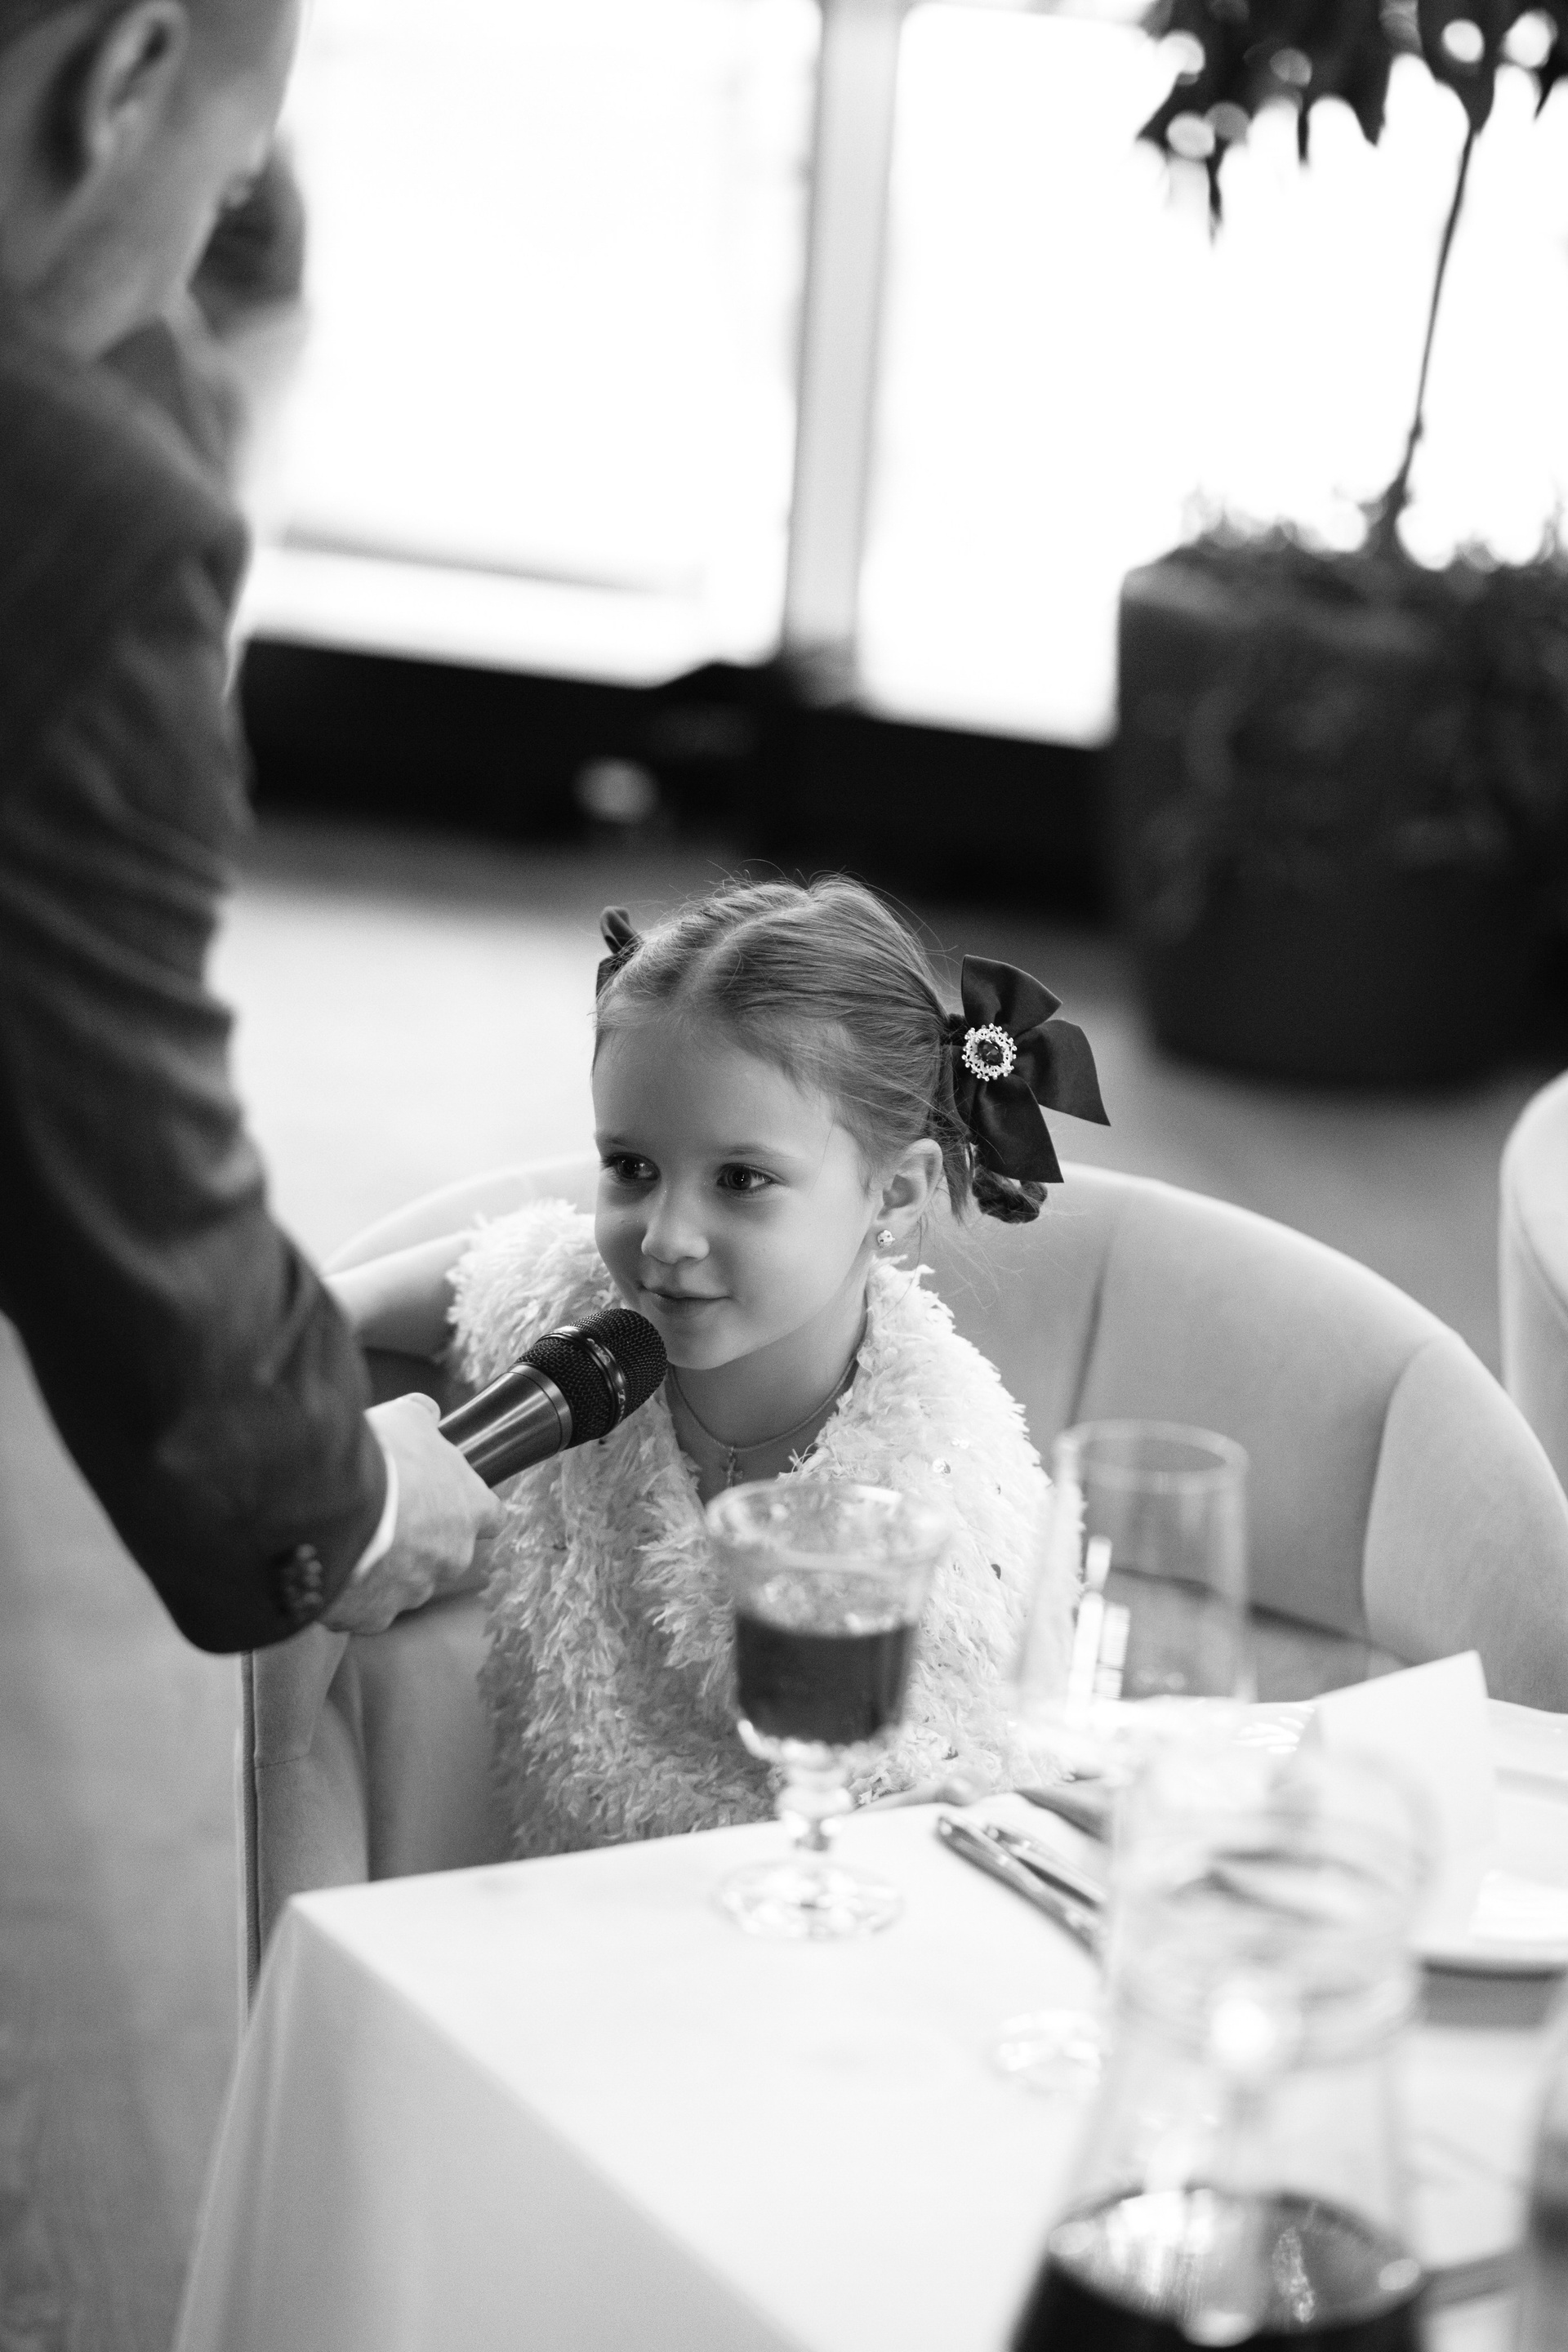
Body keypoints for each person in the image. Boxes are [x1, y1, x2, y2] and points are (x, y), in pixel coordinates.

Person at [0, 0, 498, 1650]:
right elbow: (119, 1148)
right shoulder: (80, 520)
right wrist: (348, 1500)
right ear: (128, 73)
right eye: (219, 193)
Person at [332, 879, 1110, 1857]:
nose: (665, 1239)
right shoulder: (584, 1308)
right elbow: (468, 1275)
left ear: (894, 1192)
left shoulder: (943, 1501)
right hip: (555, 1910)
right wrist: (296, 1338)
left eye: (741, 1180)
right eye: (632, 1167)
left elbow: (939, 1836)